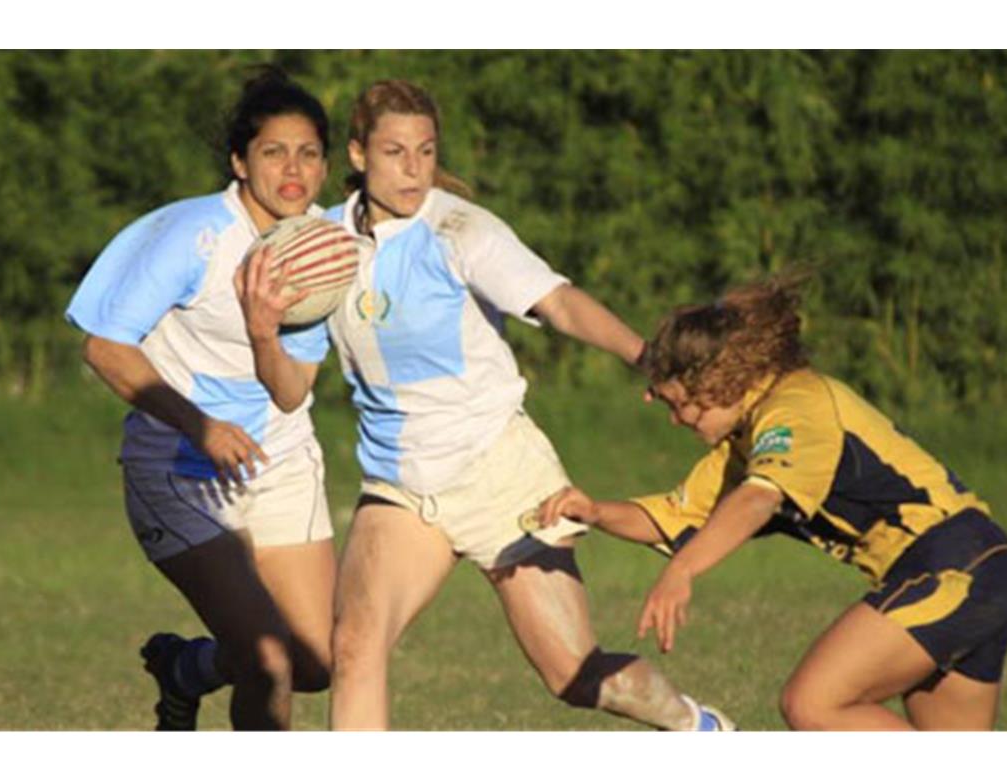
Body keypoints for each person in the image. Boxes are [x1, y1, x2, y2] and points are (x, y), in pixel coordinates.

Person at [244, 79, 730, 731]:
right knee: (355, 648)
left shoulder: (460, 228)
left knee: (575, 674)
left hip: (500, 475)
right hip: (402, 489)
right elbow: (290, 389)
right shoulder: (321, 248)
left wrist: (649, 357)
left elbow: (557, 301)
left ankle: (696, 728)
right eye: (394, 152)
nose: (413, 168)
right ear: (358, 155)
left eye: (425, 150)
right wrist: (261, 331)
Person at [536, 274, 1007, 730]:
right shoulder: (746, 439)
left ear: (715, 382)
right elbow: (676, 516)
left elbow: (755, 501)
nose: (675, 420)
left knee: (812, 702)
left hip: (954, 564)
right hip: (974, 570)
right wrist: (596, 512)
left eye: (675, 403)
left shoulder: (795, 408)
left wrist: (683, 571)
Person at [65, 66, 339, 730]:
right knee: (269, 662)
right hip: (181, 471)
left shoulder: (325, 248)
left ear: (327, 166)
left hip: (279, 464)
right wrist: (201, 425)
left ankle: (187, 669)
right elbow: (104, 347)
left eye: (307, 152)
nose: (292, 168)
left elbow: (292, 389)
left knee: (316, 664)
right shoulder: (197, 236)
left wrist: (264, 331)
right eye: (273, 151)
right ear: (239, 162)